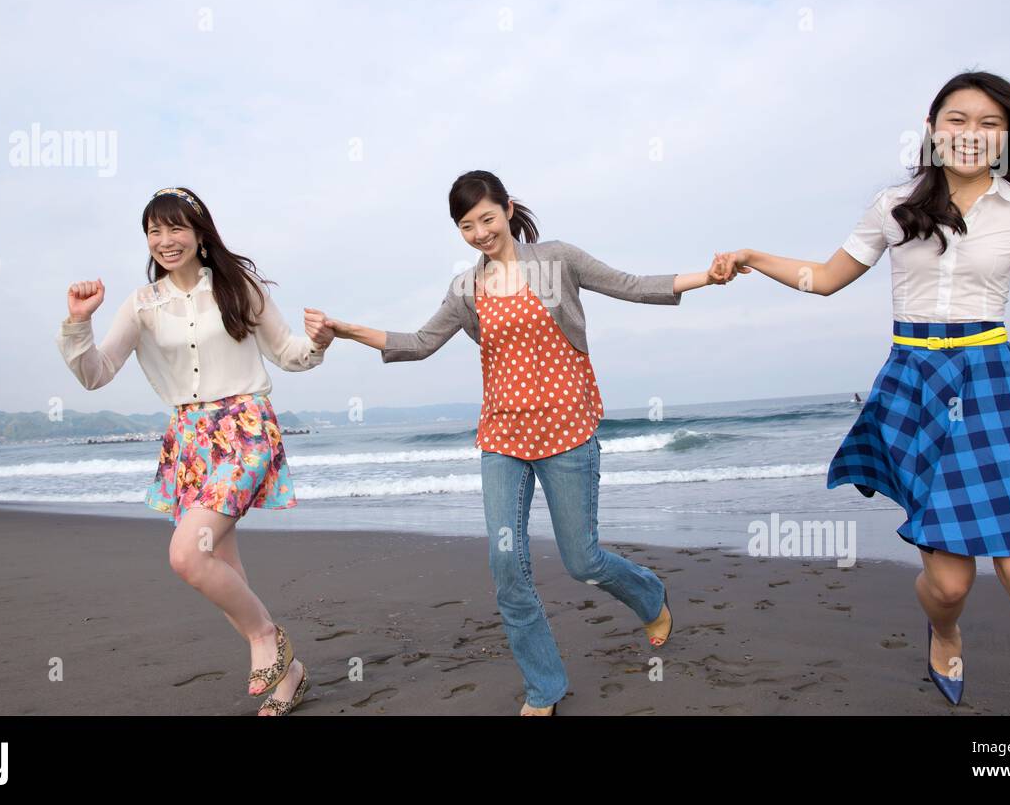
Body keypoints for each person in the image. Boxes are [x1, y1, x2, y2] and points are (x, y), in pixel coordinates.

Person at [713, 71, 1010, 715]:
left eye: (989, 123)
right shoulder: (894, 205)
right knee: (948, 584)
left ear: (1007, 138)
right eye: (957, 119)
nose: (971, 134)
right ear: (931, 129)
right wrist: (754, 256)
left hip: (992, 386)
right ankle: (944, 629)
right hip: (914, 386)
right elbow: (827, 277)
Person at [311, 170, 727, 714]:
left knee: (582, 560)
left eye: (487, 219)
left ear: (507, 209)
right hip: (503, 437)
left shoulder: (555, 261)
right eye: (466, 226)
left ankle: (648, 594)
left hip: (568, 430)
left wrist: (709, 278)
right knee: (507, 569)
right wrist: (347, 331)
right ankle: (544, 688)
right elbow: (418, 343)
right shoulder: (467, 289)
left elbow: (631, 285)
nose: (480, 233)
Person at [56, 186, 334, 715]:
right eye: (154, 231)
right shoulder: (143, 304)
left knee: (187, 555)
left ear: (200, 232)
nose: (165, 241)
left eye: (176, 228)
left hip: (245, 429)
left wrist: (319, 340)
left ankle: (266, 639)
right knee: (220, 566)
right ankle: (290, 674)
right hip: (189, 441)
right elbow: (96, 374)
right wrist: (79, 321)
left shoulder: (238, 287)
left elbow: (291, 354)